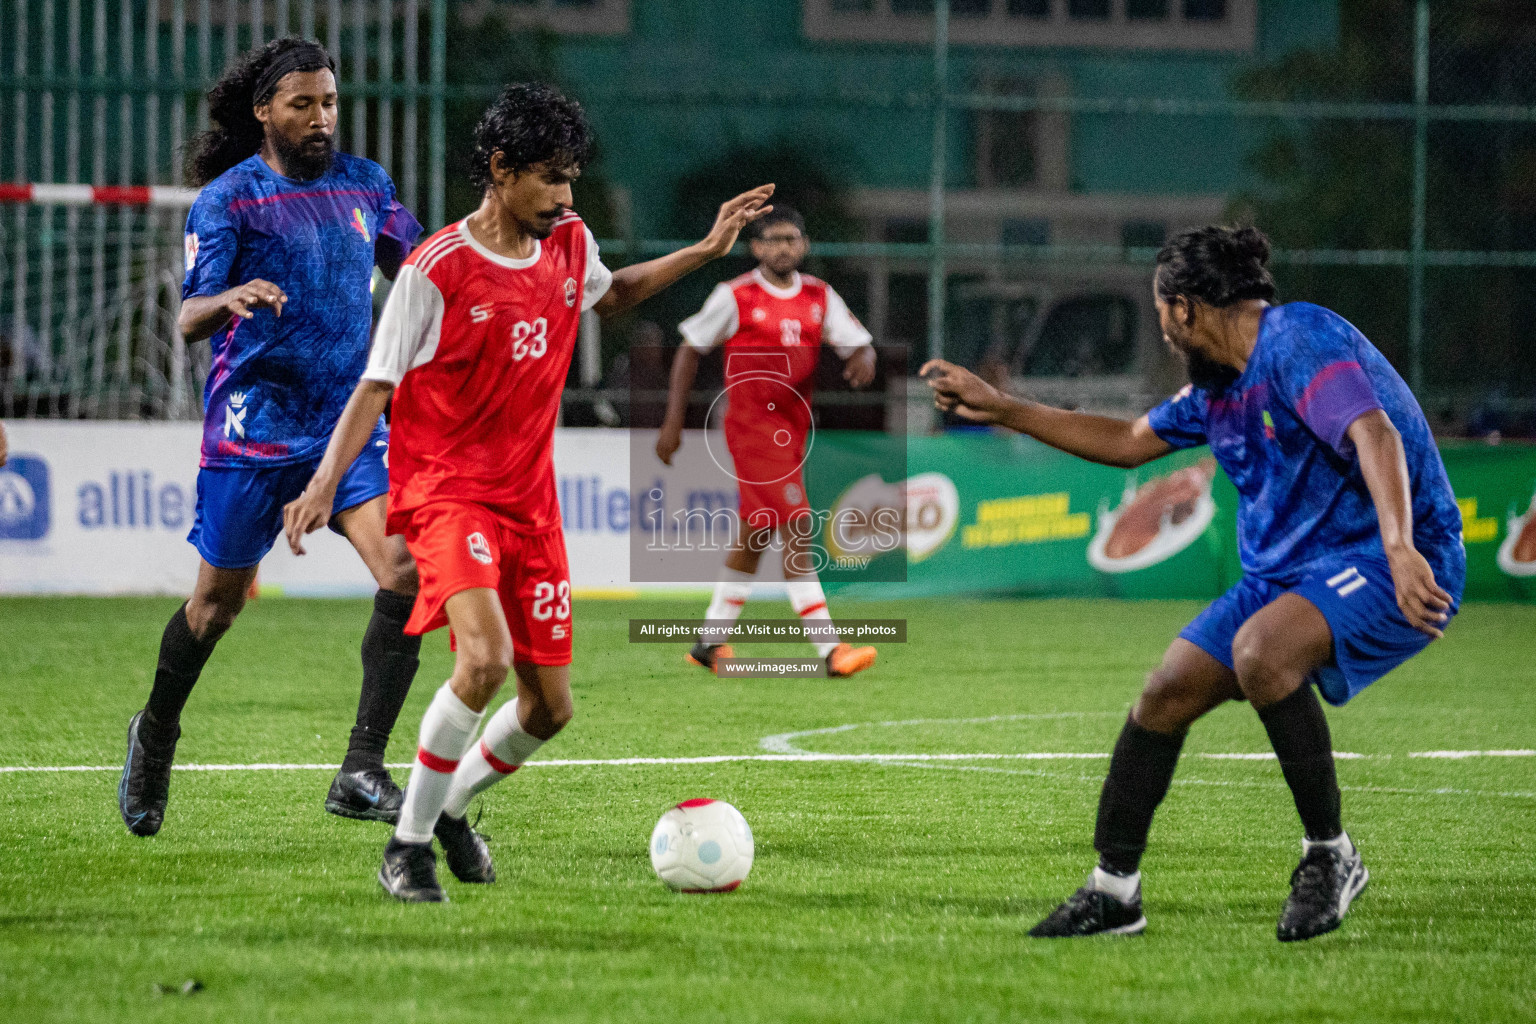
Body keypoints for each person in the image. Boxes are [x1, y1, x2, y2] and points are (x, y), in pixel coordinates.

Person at [283, 82, 777, 902]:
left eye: (571, 177)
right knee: (483, 660)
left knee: (550, 707)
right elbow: (375, 386)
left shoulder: (570, 242)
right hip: (447, 494)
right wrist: (321, 484)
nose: (565, 195)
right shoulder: (436, 268)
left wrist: (704, 249)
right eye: (549, 177)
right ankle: (406, 849)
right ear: (501, 170)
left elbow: (612, 294)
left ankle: (449, 810)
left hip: (530, 504)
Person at [922, 225, 1464, 942]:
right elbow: (1124, 443)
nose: (1161, 328)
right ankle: (1115, 894)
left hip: (1391, 554)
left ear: (1183, 309)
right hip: (1288, 573)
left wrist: (1399, 547)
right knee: (1164, 693)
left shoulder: (1297, 339)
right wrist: (1005, 407)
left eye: (1157, 312)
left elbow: (1374, 433)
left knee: (1262, 653)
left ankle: (1331, 857)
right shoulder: (1217, 388)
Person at [118, 38, 426, 839]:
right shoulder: (228, 201)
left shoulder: (367, 185)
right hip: (252, 433)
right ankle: (155, 733)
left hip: (346, 430)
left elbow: (424, 267)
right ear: (265, 112)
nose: (321, 118)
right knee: (216, 608)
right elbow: (187, 317)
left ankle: (361, 768)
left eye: (328, 102)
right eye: (302, 104)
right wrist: (231, 296)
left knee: (403, 570)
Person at [656, 206, 879, 678]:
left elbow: (857, 342)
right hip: (751, 430)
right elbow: (690, 348)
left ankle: (709, 643)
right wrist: (673, 422)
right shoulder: (735, 296)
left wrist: (865, 357)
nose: (783, 247)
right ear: (755, 248)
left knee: (756, 533)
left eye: (791, 238)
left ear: (804, 244)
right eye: (773, 239)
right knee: (797, 524)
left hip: (794, 430)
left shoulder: (820, 296)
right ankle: (830, 649)